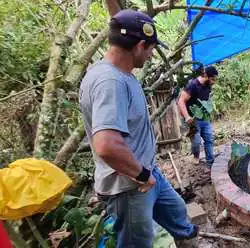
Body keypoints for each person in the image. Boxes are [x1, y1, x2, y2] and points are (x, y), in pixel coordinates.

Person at [79, 10, 198, 247]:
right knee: (137, 242)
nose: (152, 54)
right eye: (151, 48)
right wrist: (142, 175)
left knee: (176, 211)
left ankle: (186, 237)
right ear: (140, 45)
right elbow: (106, 145)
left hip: (146, 172)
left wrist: (148, 172)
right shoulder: (109, 82)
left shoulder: (120, 74)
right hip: (131, 184)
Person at [177, 66, 218, 168]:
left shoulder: (208, 85)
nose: (214, 82)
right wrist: (187, 117)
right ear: (206, 76)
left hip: (204, 118)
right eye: (212, 79)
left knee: (209, 139)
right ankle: (196, 155)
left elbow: (205, 99)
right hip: (192, 120)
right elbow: (181, 101)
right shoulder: (193, 85)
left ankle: (210, 163)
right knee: (196, 142)